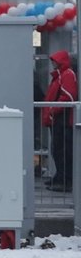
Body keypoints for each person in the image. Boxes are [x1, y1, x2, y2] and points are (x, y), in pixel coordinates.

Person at [42, 49, 76, 192]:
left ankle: (64, 180)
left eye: (54, 60)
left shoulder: (66, 75)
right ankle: (60, 177)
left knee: (62, 150)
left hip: (62, 119)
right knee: (58, 150)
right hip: (57, 118)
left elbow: (68, 96)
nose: (52, 63)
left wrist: (52, 110)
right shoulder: (61, 75)